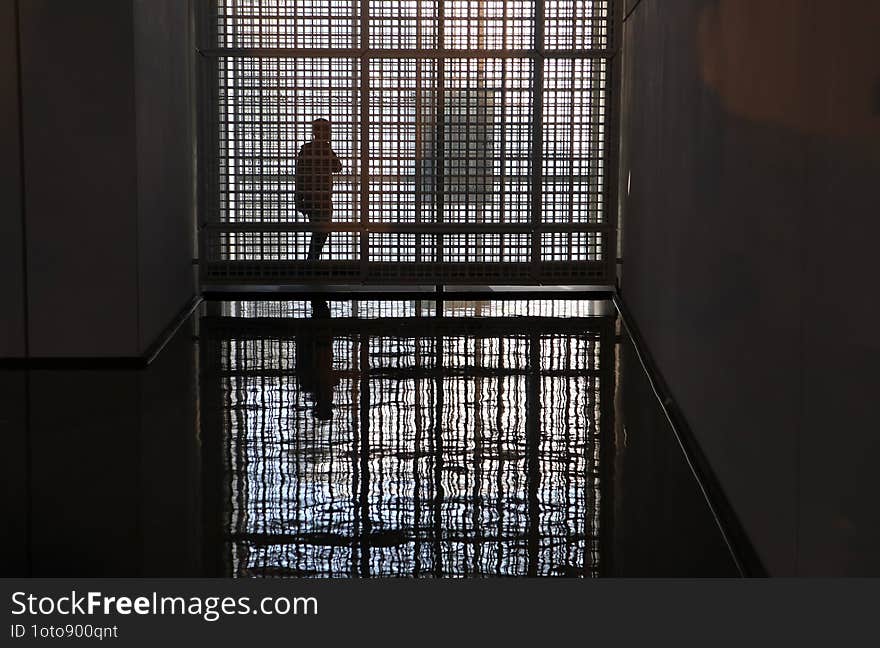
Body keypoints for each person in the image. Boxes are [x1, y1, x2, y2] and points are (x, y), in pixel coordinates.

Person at [295, 118, 343, 260]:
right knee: (322, 231)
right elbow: (338, 167)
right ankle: (312, 262)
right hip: (323, 199)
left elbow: (299, 176)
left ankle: (312, 262)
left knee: (319, 231)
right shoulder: (326, 150)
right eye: (327, 130)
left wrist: (298, 200)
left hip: (310, 198)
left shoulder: (306, 150)